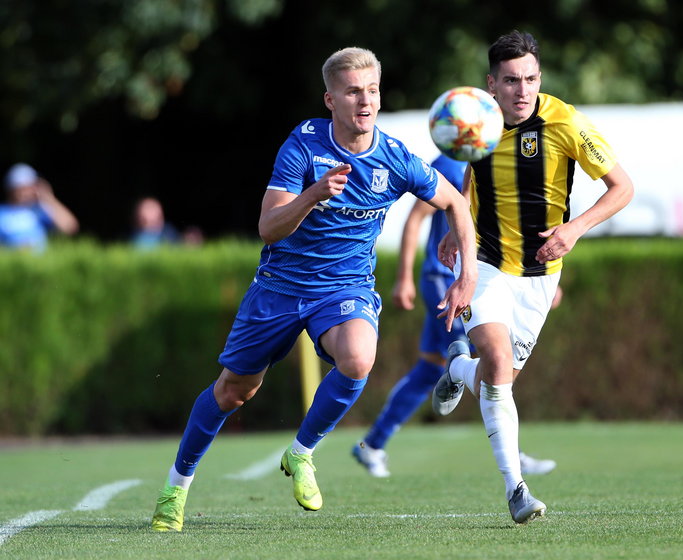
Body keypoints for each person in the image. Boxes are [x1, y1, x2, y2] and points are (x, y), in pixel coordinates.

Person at [151, 46, 477, 532]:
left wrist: (467, 274)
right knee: (234, 391)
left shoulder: (396, 158)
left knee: (359, 357)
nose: (364, 101)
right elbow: (268, 227)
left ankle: (300, 453)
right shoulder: (302, 146)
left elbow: (456, 204)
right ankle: (174, 490)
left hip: (344, 288)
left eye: (371, 91)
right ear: (330, 99)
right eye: (352, 92)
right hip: (279, 287)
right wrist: (314, 194)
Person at [433, 30, 634, 524]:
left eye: (529, 78)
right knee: (498, 362)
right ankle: (516, 490)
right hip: (485, 263)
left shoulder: (566, 122)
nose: (521, 89)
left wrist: (575, 229)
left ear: (539, 78)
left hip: (541, 275)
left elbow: (622, 187)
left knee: (492, 381)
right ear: (492, 83)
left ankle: (459, 367)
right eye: (510, 80)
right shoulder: (474, 121)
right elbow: (467, 176)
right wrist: (457, 230)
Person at [352, 153, 559, 478]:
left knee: (429, 370)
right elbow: (416, 217)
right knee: (490, 359)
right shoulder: (450, 164)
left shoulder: (501, 158)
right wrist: (405, 275)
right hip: (443, 279)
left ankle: (372, 446)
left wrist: (533, 277)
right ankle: (513, 457)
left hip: (481, 278)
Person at [0, 163, 79, 251]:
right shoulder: (2, 212)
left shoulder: (39, 209)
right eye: (24, 187)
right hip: (13, 262)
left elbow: (69, 228)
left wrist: (49, 199)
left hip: (39, 263)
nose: (29, 191)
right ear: (11, 189)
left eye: (32, 187)